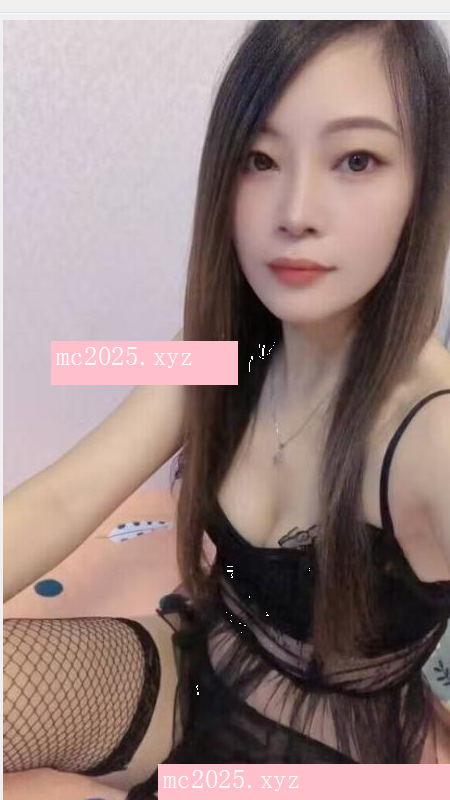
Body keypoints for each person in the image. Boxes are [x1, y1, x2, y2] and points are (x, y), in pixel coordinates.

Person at [4, 20, 450, 798]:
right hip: (194, 667)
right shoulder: (216, 347)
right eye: (260, 159)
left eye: (356, 160)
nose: (296, 210)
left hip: (309, 767)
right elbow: (63, 498)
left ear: (426, 186)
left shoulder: (430, 435)